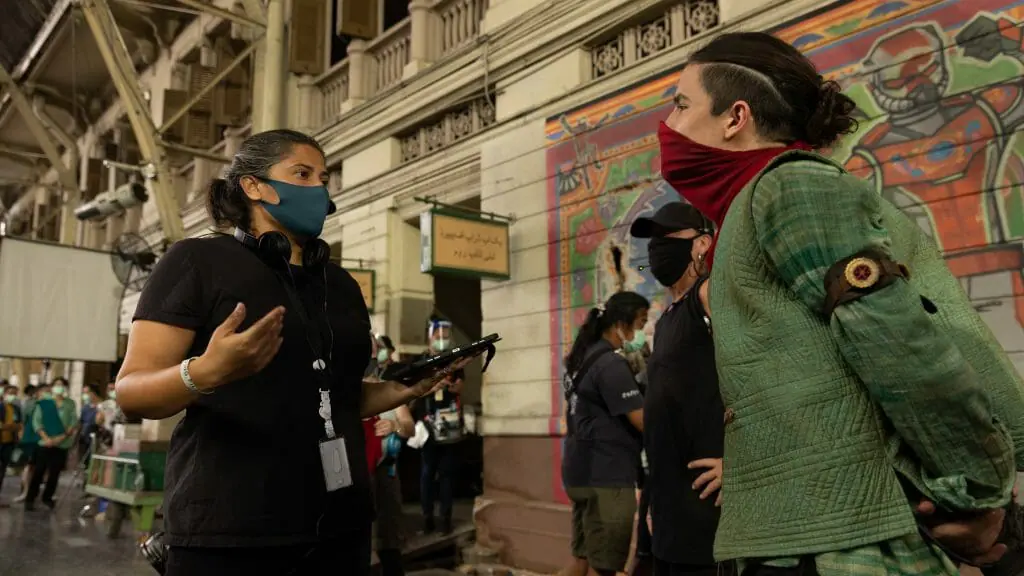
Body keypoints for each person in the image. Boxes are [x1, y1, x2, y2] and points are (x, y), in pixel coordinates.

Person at [658, 31, 1024, 575]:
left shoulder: (790, 187)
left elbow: (895, 340)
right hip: (806, 537)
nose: (668, 124)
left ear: (735, 117)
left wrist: (977, 493)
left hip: (842, 550)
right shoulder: (748, 206)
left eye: (682, 104)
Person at [114, 129, 468, 576]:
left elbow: (333, 399)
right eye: (301, 173)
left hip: (341, 529)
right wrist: (205, 372)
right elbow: (131, 392)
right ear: (253, 186)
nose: (319, 188)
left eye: (323, 177)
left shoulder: (339, 286)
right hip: (232, 531)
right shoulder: (195, 263)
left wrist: (401, 389)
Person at [629, 202, 733, 576]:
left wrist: (740, 463)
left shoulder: (710, 296)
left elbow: (764, 379)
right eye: (653, 240)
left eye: (668, 237)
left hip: (708, 512)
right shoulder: (668, 317)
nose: (657, 247)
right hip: (670, 511)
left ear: (702, 244)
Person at [561, 291, 650, 576]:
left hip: (580, 472)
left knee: (581, 560)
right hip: (607, 477)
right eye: (639, 323)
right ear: (620, 324)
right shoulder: (611, 364)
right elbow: (643, 421)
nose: (640, 333)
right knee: (606, 569)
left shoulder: (582, 359)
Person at [367, 334, 414, 576]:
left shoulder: (389, 390)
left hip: (386, 473)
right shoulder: (343, 393)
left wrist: (395, 426)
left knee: (388, 542)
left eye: (375, 351)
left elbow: (409, 426)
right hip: (357, 477)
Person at [414, 317, 466, 536]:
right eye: (438, 336)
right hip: (427, 424)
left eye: (446, 336)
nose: (442, 340)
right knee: (427, 473)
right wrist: (435, 382)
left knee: (447, 474)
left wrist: (452, 384)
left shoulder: (454, 361)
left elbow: (460, 387)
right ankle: (427, 517)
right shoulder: (423, 362)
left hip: (449, 423)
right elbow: (415, 390)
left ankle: (445, 518)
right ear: (430, 337)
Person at [25, 377, 78, 511]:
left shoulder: (70, 404)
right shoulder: (44, 403)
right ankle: (30, 499)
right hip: (45, 443)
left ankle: (47, 498)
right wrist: (46, 438)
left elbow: (73, 422)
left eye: (61, 385)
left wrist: (62, 437)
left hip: (62, 443)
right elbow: (37, 422)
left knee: (54, 473)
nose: (58, 387)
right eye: (56, 385)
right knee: (39, 471)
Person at [13, 384, 41, 503]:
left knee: (31, 466)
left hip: (34, 438)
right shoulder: (31, 404)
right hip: (32, 438)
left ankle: (27, 492)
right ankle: (26, 492)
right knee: (29, 466)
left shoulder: (29, 403)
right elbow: (23, 422)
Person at [0, 381, 23, 507]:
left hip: (9, 443)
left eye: (15, 394)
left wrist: (10, 427)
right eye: (10, 393)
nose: (12, 396)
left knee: (3, 470)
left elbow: (19, 425)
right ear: (4, 394)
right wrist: (7, 426)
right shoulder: (0, 406)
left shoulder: (16, 409)